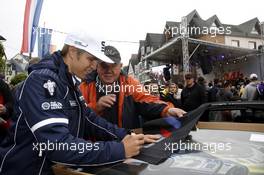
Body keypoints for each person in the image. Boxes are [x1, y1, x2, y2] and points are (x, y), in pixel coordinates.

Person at [0, 32, 159, 175]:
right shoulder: (43, 80)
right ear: (72, 51)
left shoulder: (69, 82)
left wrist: (130, 136)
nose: (94, 66)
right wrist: (120, 150)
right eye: (91, 59)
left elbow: (90, 120)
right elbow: (58, 146)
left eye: (96, 61)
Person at [80, 45, 186, 129]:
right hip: (95, 146)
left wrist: (167, 110)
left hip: (126, 143)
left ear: (120, 66)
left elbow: (148, 99)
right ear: (97, 66)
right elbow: (75, 116)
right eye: (104, 65)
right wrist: (96, 106)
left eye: (113, 65)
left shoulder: (130, 84)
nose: (108, 70)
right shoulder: (84, 87)